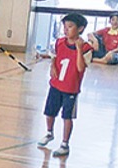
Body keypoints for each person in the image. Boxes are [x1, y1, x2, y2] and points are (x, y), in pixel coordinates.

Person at [37, 13, 91, 159]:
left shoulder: (86, 48)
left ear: (80, 29)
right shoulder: (59, 42)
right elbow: (54, 57)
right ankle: (49, 132)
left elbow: (80, 68)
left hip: (71, 88)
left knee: (67, 116)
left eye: (70, 27)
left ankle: (65, 144)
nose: (66, 30)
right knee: (49, 111)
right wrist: (52, 66)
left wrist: (79, 49)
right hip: (56, 84)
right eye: (65, 27)